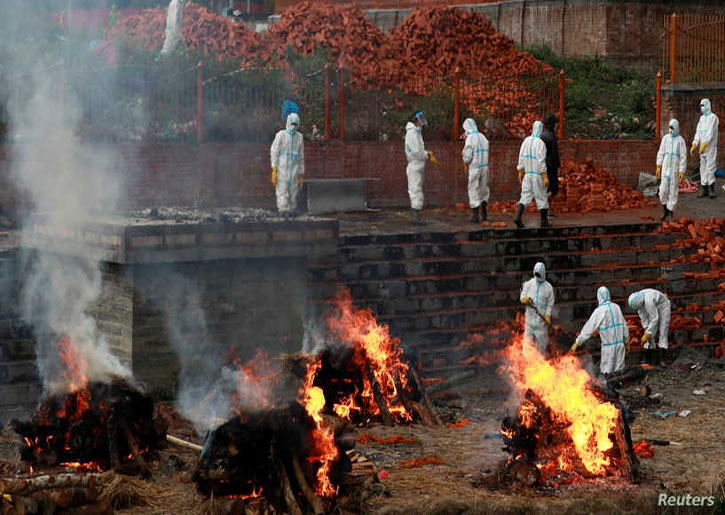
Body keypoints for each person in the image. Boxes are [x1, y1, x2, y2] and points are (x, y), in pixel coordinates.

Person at [570, 286, 629, 375]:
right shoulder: (616, 307)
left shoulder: (599, 311)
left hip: (608, 349)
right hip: (620, 346)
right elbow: (624, 325)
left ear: (599, 297)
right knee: (619, 373)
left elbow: (589, 328)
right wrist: (627, 341)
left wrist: (578, 342)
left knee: (606, 374)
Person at [514, 121, 549, 229]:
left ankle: (518, 217)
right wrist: (544, 175)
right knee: (542, 197)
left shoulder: (526, 141)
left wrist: (520, 170)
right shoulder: (540, 143)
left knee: (525, 196)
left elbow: (521, 156)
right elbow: (541, 161)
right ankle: (544, 221)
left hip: (527, 175)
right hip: (537, 175)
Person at [405, 112, 437, 224]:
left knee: (417, 189)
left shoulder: (416, 132)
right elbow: (416, 152)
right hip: (415, 164)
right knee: (415, 190)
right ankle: (415, 218)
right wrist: (426, 155)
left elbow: (418, 150)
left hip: (417, 164)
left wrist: (425, 154)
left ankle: (416, 216)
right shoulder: (412, 133)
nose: (421, 123)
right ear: (415, 120)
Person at [270, 113, 305, 216]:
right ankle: (283, 211)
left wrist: (301, 174)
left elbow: (301, 157)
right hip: (283, 169)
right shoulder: (281, 135)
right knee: (282, 190)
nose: (293, 126)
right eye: (292, 124)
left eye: (295, 124)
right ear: (288, 122)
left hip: (294, 170)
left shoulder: (299, 137)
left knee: (293, 191)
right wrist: (274, 170)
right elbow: (274, 152)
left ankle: (292, 211)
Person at [628, 289, 671, 366]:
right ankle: (648, 358)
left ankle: (662, 359)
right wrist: (646, 330)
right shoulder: (639, 303)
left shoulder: (649, 301)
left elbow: (654, 319)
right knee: (648, 332)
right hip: (654, 306)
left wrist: (648, 334)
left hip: (663, 307)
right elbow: (643, 318)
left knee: (663, 329)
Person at [520, 262, 555, 354]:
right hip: (529, 324)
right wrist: (525, 299)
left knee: (541, 350)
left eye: (539, 274)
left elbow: (550, 304)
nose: (538, 276)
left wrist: (547, 315)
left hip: (541, 325)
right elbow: (522, 296)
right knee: (527, 349)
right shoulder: (528, 284)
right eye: (536, 274)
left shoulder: (548, 288)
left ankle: (541, 361)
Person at [656, 119, 687, 221]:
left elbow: (683, 157)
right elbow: (661, 152)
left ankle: (670, 213)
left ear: (677, 128)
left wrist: (682, 171)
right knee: (663, 190)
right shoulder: (666, 138)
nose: (670, 130)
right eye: (670, 127)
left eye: (672, 128)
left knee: (673, 191)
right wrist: (659, 166)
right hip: (666, 166)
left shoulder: (681, 140)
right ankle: (664, 209)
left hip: (675, 167)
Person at [461, 118, 490, 223]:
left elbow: (467, 156)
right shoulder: (482, 137)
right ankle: (484, 214)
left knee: (473, 189)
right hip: (485, 167)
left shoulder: (470, 138)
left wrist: (465, 161)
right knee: (484, 189)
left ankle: (475, 215)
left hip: (475, 168)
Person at [690, 98, 719, 199]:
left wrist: (705, 143)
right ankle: (704, 189)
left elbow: (710, 132)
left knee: (710, 167)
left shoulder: (713, 118)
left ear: (707, 105)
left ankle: (712, 189)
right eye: (701, 106)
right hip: (702, 148)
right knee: (702, 168)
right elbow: (698, 132)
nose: (701, 108)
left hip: (710, 147)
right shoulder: (701, 119)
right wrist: (695, 144)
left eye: (703, 105)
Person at [540, 114, 560, 218]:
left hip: (544, 165)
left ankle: (547, 211)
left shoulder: (542, 135)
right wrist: (558, 165)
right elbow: (554, 153)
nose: (557, 126)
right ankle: (544, 209)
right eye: (556, 124)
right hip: (551, 165)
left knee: (547, 189)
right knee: (553, 189)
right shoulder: (551, 136)